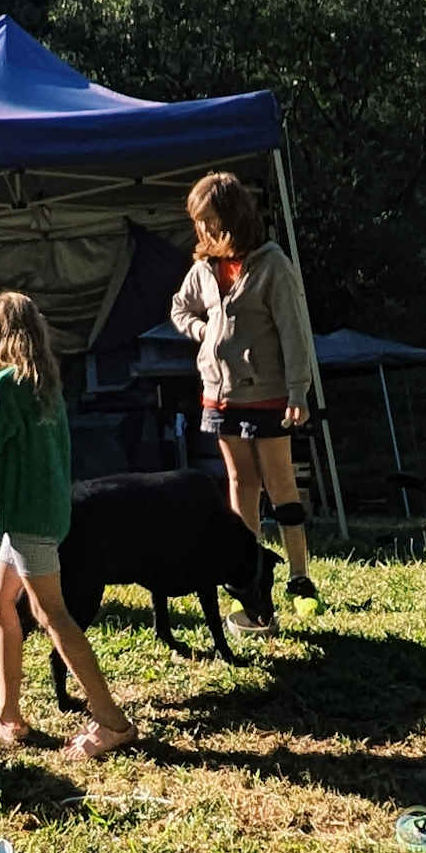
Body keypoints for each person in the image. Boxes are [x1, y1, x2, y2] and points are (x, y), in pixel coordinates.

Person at [0, 290, 135, 760]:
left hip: (26, 519)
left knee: (51, 614)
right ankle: (7, 712)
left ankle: (112, 722)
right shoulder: (45, 386)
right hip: (42, 515)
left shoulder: (4, 387)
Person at [169, 170, 327, 608]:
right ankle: (248, 576)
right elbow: (180, 308)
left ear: (231, 217)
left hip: (269, 393)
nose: (202, 229)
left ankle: (299, 578)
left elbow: (295, 331)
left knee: (279, 483)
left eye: (208, 219)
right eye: (198, 221)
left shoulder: (272, 262)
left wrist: (298, 391)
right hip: (219, 394)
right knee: (239, 483)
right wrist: (203, 330)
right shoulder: (203, 267)